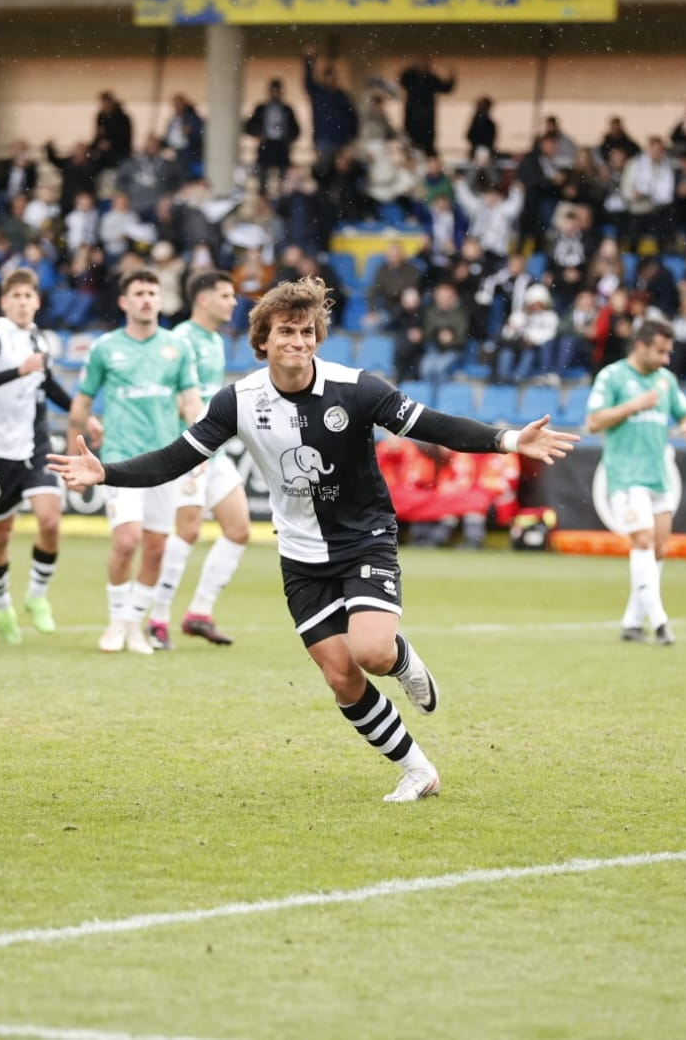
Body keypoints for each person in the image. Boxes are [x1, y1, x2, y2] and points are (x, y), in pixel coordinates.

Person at [48, 276, 578, 803]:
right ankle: (418, 771)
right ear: (263, 340)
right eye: (286, 331)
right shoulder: (238, 401)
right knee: (341, 676)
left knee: (371, 651)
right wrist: (106, 473)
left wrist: (509, 439)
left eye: (306, 332)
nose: (298, 342)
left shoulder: (357, 388)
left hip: (365, 538)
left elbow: (431, 425)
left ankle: (402, 661)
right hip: (301, 555)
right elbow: (175, 458)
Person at [68, 269, 202, 655]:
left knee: (157, 548)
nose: (146, 299)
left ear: (160, 300)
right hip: (119, 459)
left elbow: (191, 402)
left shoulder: (178, 348)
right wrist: (76, 454)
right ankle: (115, 621)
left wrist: (201, 448)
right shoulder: (105, 348)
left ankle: (134, 624)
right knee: (127, 541)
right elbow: (82, 402)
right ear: (124, 302)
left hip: (166, 461)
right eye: (139, 293)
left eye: (152, 293)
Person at [141, 272, 254, 649]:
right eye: (226, 295)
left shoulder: (215, 342)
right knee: (187, 531)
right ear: (203, 299)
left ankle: (199, 614)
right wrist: (195, 440)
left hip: (213, 451)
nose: (233, 302)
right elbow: (167, 395)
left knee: (238, 528)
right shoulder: (180, 340)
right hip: (187, 448)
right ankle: (157, 619)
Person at [0, 268, 74, 643]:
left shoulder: (40, 339)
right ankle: (1, 605)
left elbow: (49, 385)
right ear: (5, 302)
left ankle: (37, 596)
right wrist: (18, 370)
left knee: (50, 521)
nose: (23, 303)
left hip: (37, 445)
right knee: (1, 534)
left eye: (29, 296)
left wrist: (82, 413)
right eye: (16, 297)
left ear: (37, 302)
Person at [585, 321, 686, 646]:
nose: (666, 359)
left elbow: (684, 412)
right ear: (641, 346)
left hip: (658, 476)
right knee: (643, 540)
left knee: (659, 548)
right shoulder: (612, 376)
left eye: (668, 352)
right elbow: (593, 421)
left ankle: (632, 623)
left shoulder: (666, 380)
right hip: (625, 475)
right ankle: (660, 621)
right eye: (661, 351)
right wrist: (633, 405)